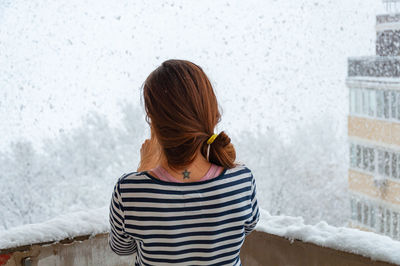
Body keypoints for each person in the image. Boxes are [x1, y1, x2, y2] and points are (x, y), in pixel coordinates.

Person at [109, 59, 260, 266]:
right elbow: (246, 227)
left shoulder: (129, 190)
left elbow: (121, 248)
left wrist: (143, 171)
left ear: (154, 121)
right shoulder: (242, 180)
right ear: (210, 111)